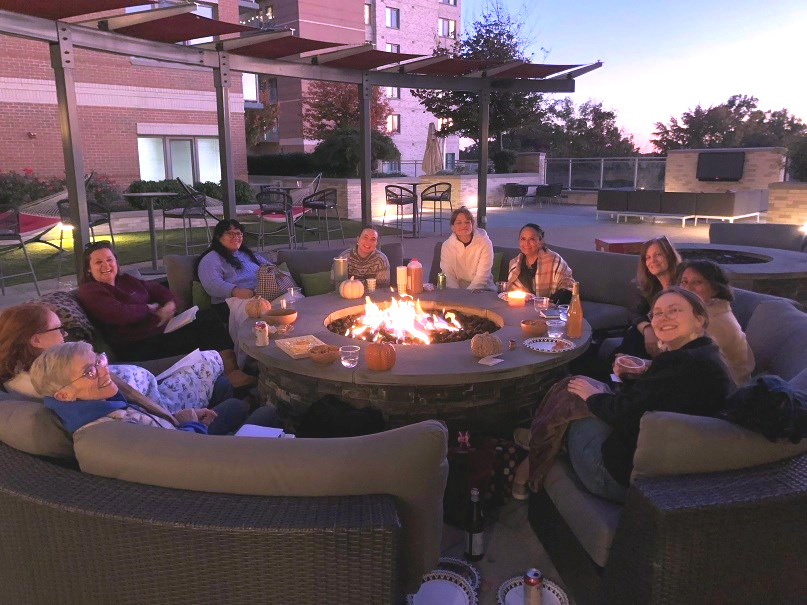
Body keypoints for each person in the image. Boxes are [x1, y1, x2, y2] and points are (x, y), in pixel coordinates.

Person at [518, 287, 733, 503]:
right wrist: (643, 371)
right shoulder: (706, 355)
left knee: (570, 395)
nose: (663, 318)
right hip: (656, 459)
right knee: (575, 388)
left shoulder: (682, 363)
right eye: (657, 313)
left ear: (699, 318)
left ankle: (532, 460)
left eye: (674, 310)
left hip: (617, 476)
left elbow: (624, 414)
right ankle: (538, 437)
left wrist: (593, 397)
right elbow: (660, 396)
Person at [75, 241, 254, 387]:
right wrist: (149, 309)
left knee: (207, 316)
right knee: (205, 328)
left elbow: (157, 289)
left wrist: (169, 304)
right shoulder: (90, 291)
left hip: (159, 331)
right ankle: (230, 374)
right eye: (99, 262)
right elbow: (118, 313)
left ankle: (232, 369)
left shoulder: (126, 280)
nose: (106, 266)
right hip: (136, 346)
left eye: (109, 260)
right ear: (88, 269)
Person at [0, 303, 229, 414]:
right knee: (213, 357)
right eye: (58, 329)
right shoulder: (54, 379)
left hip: (148, 380)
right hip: (158, 401)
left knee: (206, 332)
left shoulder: (25, 375)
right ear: (36, 340)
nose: (64, 334)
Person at [30, 342, 278, 436]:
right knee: (266, 412)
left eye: (99, 360)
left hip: (178, 430)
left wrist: (180, 418)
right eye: (89, 372)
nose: (105, 371)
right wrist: (192, 424)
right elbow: (185, 454)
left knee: (223, 388)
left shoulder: (100, 407)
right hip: (202, 452)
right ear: (64, 395)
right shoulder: (116, 428)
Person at [677, 260, 755, 386]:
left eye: (697, 282)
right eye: (684, 282)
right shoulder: (704, 311)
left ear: (715, 288)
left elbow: (685, 367)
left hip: (724, 393)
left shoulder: (713, 322)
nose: (688, 288)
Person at [617, 235, 682, 358]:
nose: (652, 260)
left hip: (675, 342)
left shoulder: (683, 286)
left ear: (670, 255)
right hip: (651, 338)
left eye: (658, 254)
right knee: (634, 333)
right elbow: (634, 313)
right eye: (648, 257)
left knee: (633, 336)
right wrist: (647, 328)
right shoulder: (649, 287)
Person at [196, 219, 272, 323]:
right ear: (218, 237)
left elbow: (269, 267)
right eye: (230, 234)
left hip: (262, 296)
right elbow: (212, 284)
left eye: (239, 233)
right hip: (231, 302)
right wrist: (234, 291)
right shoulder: (211, 259)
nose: (236, 237)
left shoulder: (247, 254)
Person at [505, 223, 575, 304]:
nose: (526, 243)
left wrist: (549, 303)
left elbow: (568, 286)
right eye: (523, 239)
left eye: (532, 239)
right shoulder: (514, 264)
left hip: (550, 308)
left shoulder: (554, 260)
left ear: (541, 241)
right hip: (522, 308)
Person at [440, 207, 495, 292]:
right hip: (456, 291)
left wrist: (467, 295)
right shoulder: (447, 246)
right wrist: (457, 295)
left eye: (467, 222)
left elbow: (482, 276)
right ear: (452, 227)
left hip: (483, 290)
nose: (464, 225)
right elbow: (448, 275)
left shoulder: (484, 242)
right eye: (459, 223)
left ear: (472, 225)